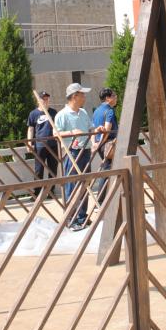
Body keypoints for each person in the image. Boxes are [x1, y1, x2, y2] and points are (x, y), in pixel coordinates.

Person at [54, 83, 95, 230]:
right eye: (82, 94)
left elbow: (90, 128)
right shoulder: (62, 115)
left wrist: (95, 135)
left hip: (85, 151)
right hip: (71, 152)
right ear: (74, 96)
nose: (84, 97)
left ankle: (82, 216)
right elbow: (55, 134)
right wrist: (72, 133)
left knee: (85, 184)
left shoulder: (83, 112)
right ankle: (71, 218)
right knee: (72, 185)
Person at [27, 90, 59, 191]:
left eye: (47, 99)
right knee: (39, 169)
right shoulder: (33, 114)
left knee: (53, 169)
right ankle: (37, 192)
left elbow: (57, 128)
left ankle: (51, 191)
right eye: (43, 99)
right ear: (38, 100)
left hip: (53, 144)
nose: (45, 101)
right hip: (39, 145)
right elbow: (31, 129)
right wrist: (29, 143)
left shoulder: (53, 112)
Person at [92, 88, 118, 170]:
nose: (116, 97)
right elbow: (107, 131)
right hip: (109, 144)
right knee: (110, 169)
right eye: (114, 95)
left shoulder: (96, 111)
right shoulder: (110, 111)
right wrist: (99, 144)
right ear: (107, 98)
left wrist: (95, 144)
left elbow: (93, 130)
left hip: (100, 145)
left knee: (108, 168)